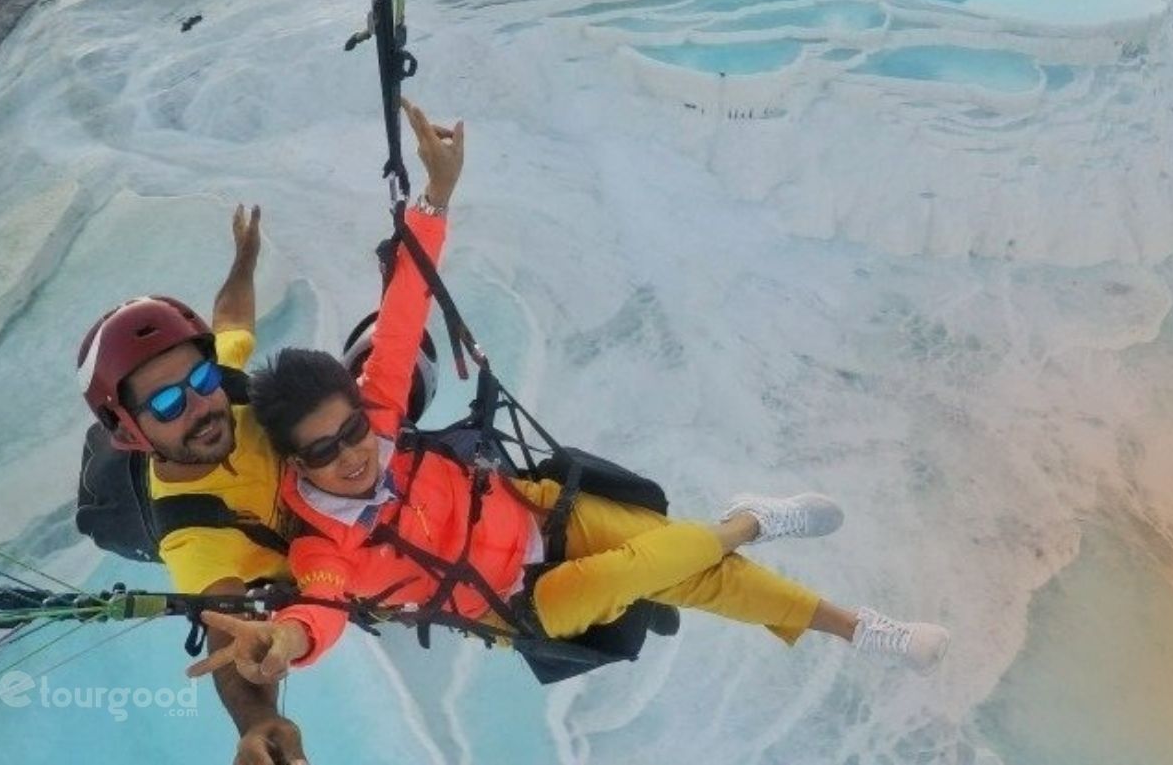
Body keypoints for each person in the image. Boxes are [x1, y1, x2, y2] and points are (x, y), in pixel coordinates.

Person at [186, 104, 951, 687]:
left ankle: (856, 627)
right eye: (326, 450)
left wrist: (437, 194)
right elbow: (320, 607)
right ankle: (749, 520)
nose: (354, 453)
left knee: (697, 577)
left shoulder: (379, 415)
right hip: (520, 602)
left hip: (538, 510)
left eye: (352, 429)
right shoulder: (322, 545)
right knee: (638, 568)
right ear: (298, 464)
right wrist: (287, 640)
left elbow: (404, 308)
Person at [75, 98, 456, 765]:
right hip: (332, 562)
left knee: (373, 383)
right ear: (130, 431)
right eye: (167, 403)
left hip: (349, 499)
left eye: (198, 379)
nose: (201, 406)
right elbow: (229, 629)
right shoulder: (193, 531)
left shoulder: (223, 388)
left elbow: (230, 323)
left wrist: (245, 260)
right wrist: (257, 722)